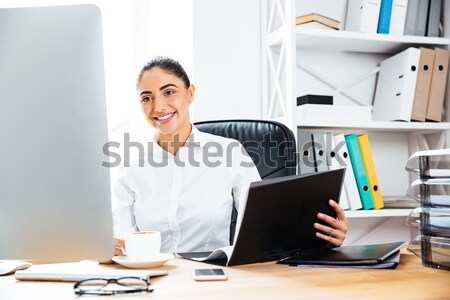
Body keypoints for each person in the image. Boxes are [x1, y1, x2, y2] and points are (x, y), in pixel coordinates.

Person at [112, 56, 347, 256]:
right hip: (152, 281)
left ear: (190, 93)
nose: (158, 106)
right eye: (147, 98)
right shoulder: (131, 166)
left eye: (169, 92)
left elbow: (268, 225)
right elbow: (121, 241)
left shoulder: (230, 153)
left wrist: (322, 237)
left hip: (213, 278)